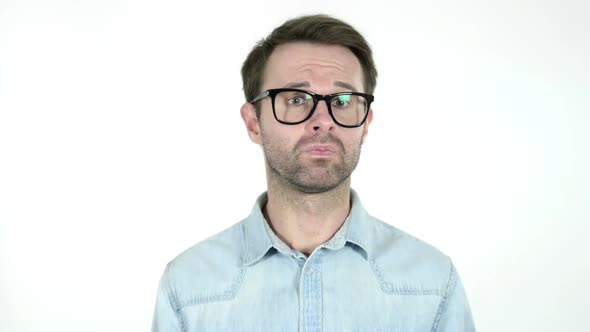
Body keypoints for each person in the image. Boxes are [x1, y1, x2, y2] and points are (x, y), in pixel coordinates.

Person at [152, 14, 475, 332]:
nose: (323, 119)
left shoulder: (432, 282)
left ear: (366, 124)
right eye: (296, 98)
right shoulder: (188, 286)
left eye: (344, 99)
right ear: (253, 123)